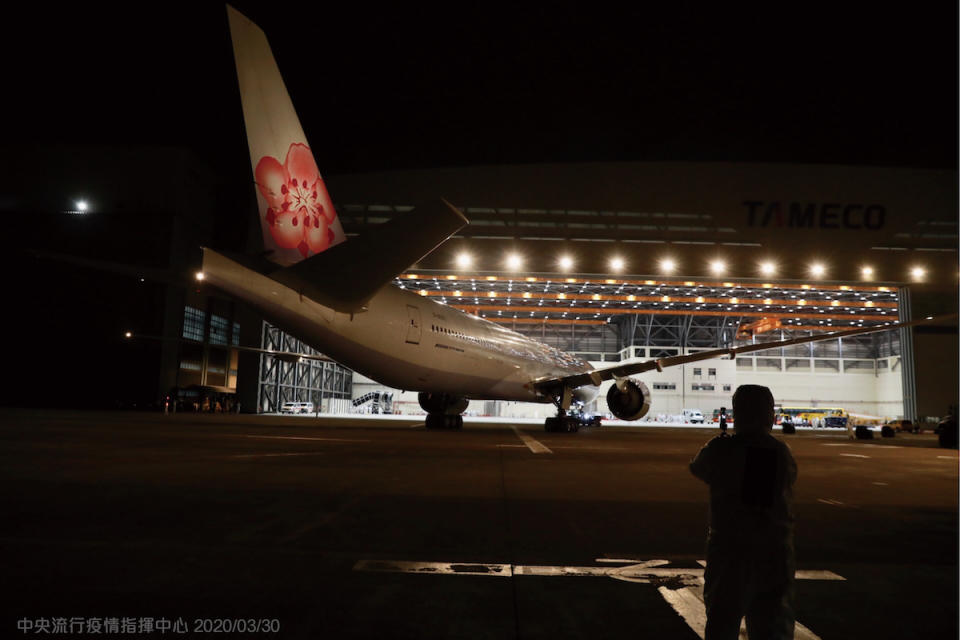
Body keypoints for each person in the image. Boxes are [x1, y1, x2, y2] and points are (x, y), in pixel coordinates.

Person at [689, 384, 798, 640]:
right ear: (768, 415)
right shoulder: (779, 451)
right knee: (772, 623)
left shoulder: (722, 449)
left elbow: (699, 468)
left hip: (730, 550)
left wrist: (722, 443)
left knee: (722, 620)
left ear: (737, 414)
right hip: (772, 551)